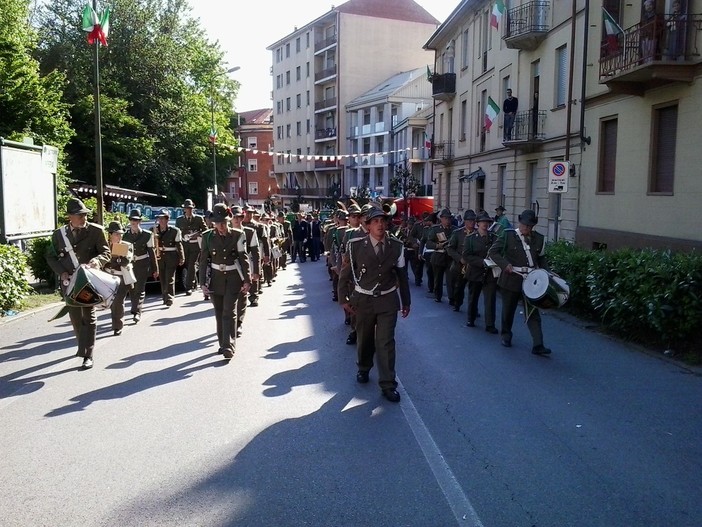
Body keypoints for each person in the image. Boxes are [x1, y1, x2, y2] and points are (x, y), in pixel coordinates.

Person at [338, 207, 411, 403]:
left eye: (383, 221)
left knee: (386, 342)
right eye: (375, 221)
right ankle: (363, 367)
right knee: (365, 338)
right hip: (364, 300)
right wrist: (343, 299)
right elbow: (345, 274)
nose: (380, 224)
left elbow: (403, 277)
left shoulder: (396, 246)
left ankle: (388, 384)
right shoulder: (355, 246)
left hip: (387, 299)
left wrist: (406, 301)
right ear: (367, 225)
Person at [45, 198, 111, 369]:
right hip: (69, 282)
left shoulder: (96, 231)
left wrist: (97, 261)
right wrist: (62, 272)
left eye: (85, 215)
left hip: (87, 281)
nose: (83, 218)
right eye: (80, 215)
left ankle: (88, 354)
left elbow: (106, 252)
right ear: (70, 217)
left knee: (88, 316)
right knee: (75, 318)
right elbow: (50, 256)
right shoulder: (59, 235)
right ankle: (82, 347)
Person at [488, 209, 552, 355]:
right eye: (524, 225)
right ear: (520, 222)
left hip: (531, 281)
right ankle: (506, 335)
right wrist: (505, 265)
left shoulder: (539, 239)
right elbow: (493, 252)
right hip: (511, 279)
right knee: (508, 311)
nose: (526, 228)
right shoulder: (508, 235)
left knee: (533, 312)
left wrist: (547, 274)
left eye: (529, 226)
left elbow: (541, 259)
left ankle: (538, 344)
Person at [199, 203, 251, 359]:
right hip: (215, 279)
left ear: (228, 221)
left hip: (233, 278)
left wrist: (247, 280)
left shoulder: (237, 235)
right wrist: (202, 283)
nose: (221, 226)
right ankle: (222, 343)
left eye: (223, 222)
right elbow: (203, 261)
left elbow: (244, 258)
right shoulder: (207, 237)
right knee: (219, 312)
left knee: (229, 311)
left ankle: (229, 345)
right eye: (217, 223)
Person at [462, 211, 498, 332]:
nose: (485, 224)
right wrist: (481, 261)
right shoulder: (471, 238)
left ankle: (490, 324)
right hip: (475, 272)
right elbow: (466, 255)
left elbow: (498, 252)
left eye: (487, 222)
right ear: (477, 224)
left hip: (490, 273)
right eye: (482, 222)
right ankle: (471, 318)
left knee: (490, 299)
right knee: (473, 297)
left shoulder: (494, 237)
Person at [122, 209, 159, 323]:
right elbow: (121, 252)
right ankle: (135, 309)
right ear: (129, 221)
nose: (134, 222)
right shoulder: (125, 236)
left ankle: (136, 311)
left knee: (140, 288)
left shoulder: (147, 235)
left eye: (137, 220)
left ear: (140, 222)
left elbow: (151, 253)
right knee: (132, 288)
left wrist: (155, 269)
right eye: (132, 220)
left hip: (143, 264)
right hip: (129, 265)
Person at [231, 205, 260, 337]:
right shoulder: (225, 232)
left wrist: (256, 271)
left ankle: (238, 323)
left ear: (242, 218)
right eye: (234, 217)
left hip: (244, 266)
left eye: (239, 217)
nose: (236, 220)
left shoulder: (249, 232)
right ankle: (229, 323)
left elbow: (255, 252)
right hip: (229, 269)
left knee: (242, 296)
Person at [103, 222, 135, 336]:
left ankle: (117, 326)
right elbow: (102, 261)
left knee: (118, 302)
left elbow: (126, 261)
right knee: (110, 303)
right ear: (110, 234)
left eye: (121, 234)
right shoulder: (104, 246)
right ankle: (115, 322)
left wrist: (115, 259)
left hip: (121, 277)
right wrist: (115, 259)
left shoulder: (126, 245)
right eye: (116, 234)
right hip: (107, 277)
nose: (119, 236)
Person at [175, 199, 207, 295]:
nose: (188, 210)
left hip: (195, 245)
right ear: (184, 209)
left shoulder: (198, 218)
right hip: (184, 245)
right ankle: (194, 282)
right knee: (188, 265)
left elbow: (205, 230)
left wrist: (197, 234)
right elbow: (177, 233)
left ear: (193, 209)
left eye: (190, 208)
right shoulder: (179, 220)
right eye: (187, 208)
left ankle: (188, 287)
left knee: (192, 264)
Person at [153, 209, 185, 307]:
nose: (161, 221)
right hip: (159, 257)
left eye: (163, 218)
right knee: (162, 278)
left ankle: (170, 297)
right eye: (160, 218)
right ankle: (165, 296)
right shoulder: (153, 230)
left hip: (171, 256)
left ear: (167, 220)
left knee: (169, 278)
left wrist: (181, 257)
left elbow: (179, 244)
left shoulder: (175, 231)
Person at [446, 209, 476, 311]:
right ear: (465, 221)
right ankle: (457, 303)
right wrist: (459, 259)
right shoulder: (458, 233)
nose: (472, 223)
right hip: (460, 266)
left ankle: (473, 310)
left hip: (473, 266)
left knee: (474, 289)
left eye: (473, 220)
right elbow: (450, 248)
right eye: (470, 221)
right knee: (459, 287)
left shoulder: (477, 233)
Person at [425, 208, 454, 303]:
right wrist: (437, 246)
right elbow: (428, 243)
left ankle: (451, 298)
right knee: (438, 278)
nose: (447, 220)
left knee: (451, 279)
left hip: (450, 258)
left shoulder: (455, 230)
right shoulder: (435, 229)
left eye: (449, 218)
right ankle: (438, 295)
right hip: (438, 256)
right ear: (441, 219)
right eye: (445, 218)